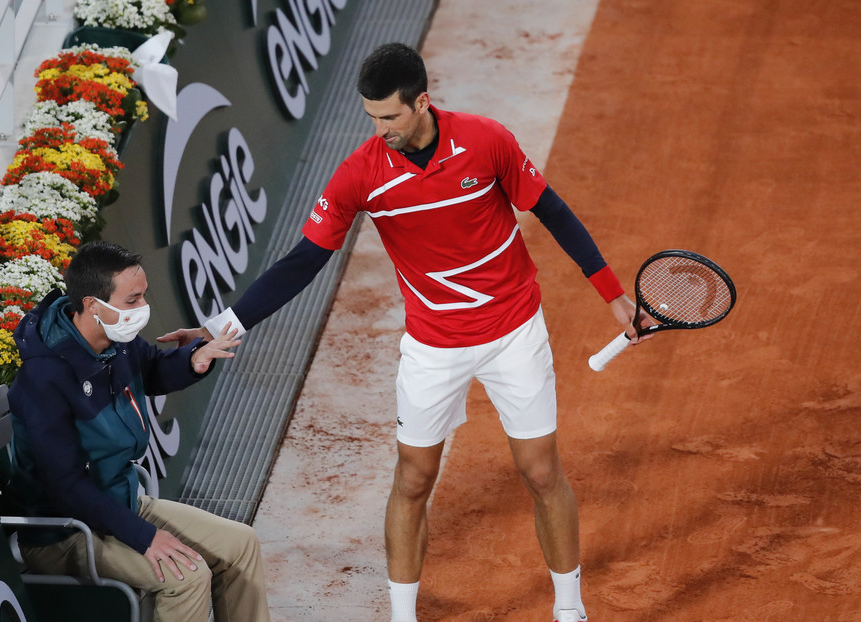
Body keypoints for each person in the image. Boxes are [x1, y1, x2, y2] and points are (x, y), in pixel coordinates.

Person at [197, 43, 651, 622]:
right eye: (371, 117)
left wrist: (612, 294)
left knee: (541, 472)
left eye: (389, 116)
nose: (379, 129)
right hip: (433, 346)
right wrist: (224, 324)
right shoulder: (360, 174)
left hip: (514, 330)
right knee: (413, 478)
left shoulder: (487, 141)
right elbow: (302, 261)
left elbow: (553, 211)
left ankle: (569, 610)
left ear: (422, 103)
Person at [6, 240, 271, 622]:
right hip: (65, 530)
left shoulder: (118, 341)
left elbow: (155, 370)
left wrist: (194, 360)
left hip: (119, 502)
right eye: (132, 301)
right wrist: (144, 537)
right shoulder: (44, 378)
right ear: (93, 305)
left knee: (241, 545)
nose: (142, 309)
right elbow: (64, 486)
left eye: (143, 296)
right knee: (187, 575)